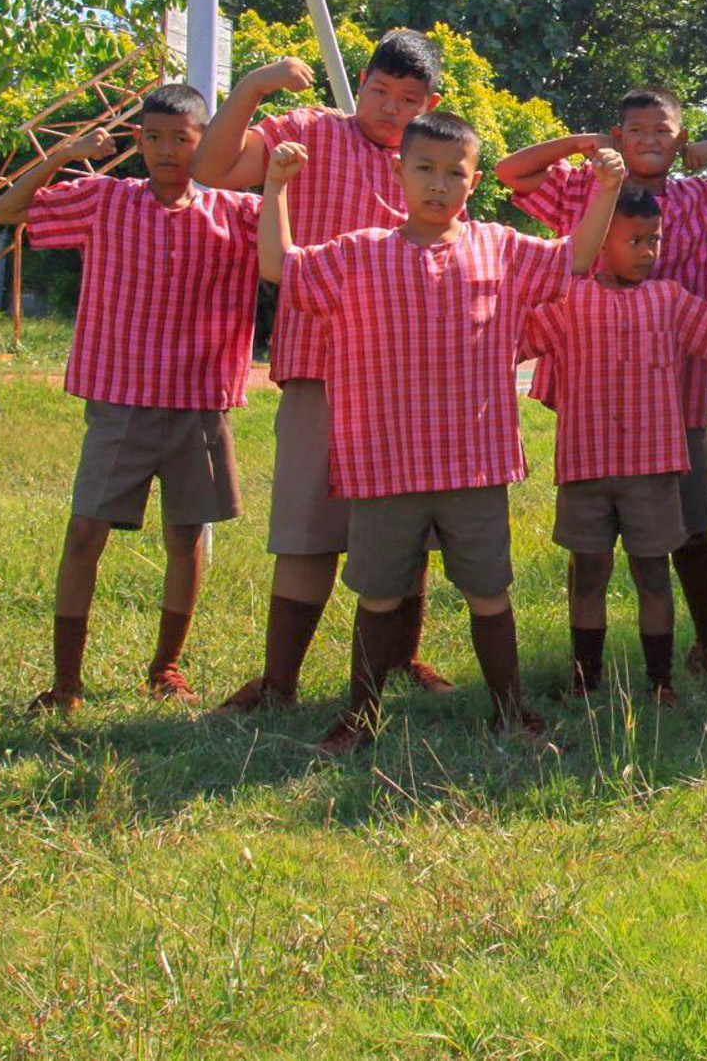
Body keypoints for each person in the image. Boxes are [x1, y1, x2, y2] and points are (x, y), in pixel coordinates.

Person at [261, 112, 621, 754]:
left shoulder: (498, 247)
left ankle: (510, 711)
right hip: (384, 464)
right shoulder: (359, 253)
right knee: (377, 596)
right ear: (399, 173)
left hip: (473, 465)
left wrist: (607, 191)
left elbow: (576, 258)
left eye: (453, 173)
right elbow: (281, 269)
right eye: (423, 169)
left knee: (489, 592)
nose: (437, 184)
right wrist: (278, 187)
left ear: (473, 180)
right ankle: (359, 718)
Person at [191, 30, 455, 714]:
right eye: (380, 91)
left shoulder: (433, 158)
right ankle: (279, 683)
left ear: (431, 101)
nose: (391, 109)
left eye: (409, 99)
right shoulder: (308, 133)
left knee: (408, 524)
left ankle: (401, 659)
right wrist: (252, 87)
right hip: (320, 366)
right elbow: (214, 169)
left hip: (407, 375)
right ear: (361, 80)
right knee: (308, 528)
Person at [498, 87, 707, 678]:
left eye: (663, 131)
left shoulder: (701, 199)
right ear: (619, 135)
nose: (650, 141)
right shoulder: (588, 186)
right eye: (636, 131)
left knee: (689, 522)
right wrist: (584, 144)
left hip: (678, 389)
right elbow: (511, 172)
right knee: (593, 536)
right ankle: (588, 662)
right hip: (595, 389)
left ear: (680, 140)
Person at [0, 86, 260, 713]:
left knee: (185, 535)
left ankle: (166, 668)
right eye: (154, 138)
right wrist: (64, 153)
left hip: (199, 400)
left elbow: (293, 245)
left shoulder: (236, 214)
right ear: (138, 142)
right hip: (120, 397)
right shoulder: (105, 199)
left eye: (183, 139)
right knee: (85, 530)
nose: (167, 151)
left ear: (205, 142)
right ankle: (66, 683)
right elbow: (8, 212)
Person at [516, 183, 707, 705]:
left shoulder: (670, 298)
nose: (648, 252)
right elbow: (510, 341)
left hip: (653, 469)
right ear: (599, 239)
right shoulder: (569, 299)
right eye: (634, 240)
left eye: (654, 240)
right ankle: (585, 681)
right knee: (589, 572)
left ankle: (660, 683)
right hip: (585, 466)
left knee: (654, 572)